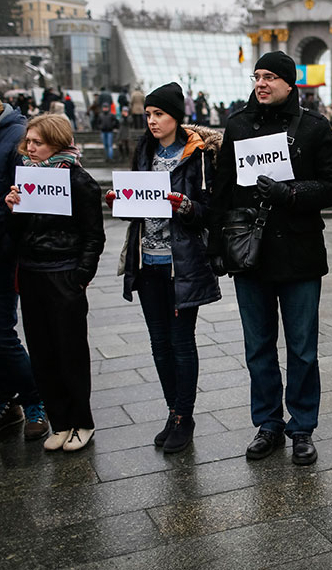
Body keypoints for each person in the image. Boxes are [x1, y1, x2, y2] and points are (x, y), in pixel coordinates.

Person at [209, 51, 332, 465]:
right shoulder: (237, 126)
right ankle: (268, 423)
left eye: (270, 77)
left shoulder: (315, 128)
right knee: (258, 347)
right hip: (251, 255)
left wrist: (291, 193)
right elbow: (222, 190)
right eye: (257, 76)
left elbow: (331, 183)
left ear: (290, 83)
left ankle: (302, 426)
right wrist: (218, 247)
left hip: (299, 254)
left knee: (303, 348)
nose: (261, 83)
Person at [106, 83, 222, 453]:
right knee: (159, 344)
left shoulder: (198, 155)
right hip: (147, 261)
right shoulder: (144, 150)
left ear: (176, 117)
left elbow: (209, 212)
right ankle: (173, 412)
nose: (153, 121)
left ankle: (184, 417)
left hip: (181, 264)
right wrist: (117, 200)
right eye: (149, 115)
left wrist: (185, 206)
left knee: (181, 342)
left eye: (159, 114)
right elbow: (135, 202)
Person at [4, 114, 105, 451]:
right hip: (32, 275)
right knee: (43, 351)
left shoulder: (79, 181)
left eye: (37, 143)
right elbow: (18, 235)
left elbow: (94, 235)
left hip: (63, 275)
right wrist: (13, 209)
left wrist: (80, 277)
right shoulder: (26, 180)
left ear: (56, 144)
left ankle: (82, 423)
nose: (29, 148)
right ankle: (60, 422)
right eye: (28, 142)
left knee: (70, 351)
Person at [0, 100, 49, 440]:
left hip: (4, 251)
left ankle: (35, 400)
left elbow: (30, 198)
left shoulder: (16, 135)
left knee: (2, 333)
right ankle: (8, 399)